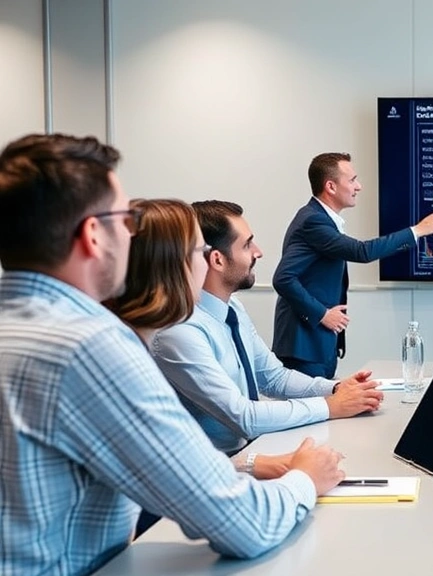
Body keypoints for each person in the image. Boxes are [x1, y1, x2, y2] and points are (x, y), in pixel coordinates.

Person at [0, 133, 344, 575]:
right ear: (93, 236)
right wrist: (305, 479)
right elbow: (242, 524)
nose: (134, 237)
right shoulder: (89, 347)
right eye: (124, 221)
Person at [152, 200, 384, 455]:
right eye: (247, 244)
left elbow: (274, 378)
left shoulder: (233, 309)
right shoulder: (180, 331)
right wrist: (331, 406)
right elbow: (244, 416)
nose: (258, 252)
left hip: (251, 452)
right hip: (221, 468)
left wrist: (336, 389)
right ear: (217, 260)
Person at [105, 198, 295, 479]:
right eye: (199, 251)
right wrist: (298, 481)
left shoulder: (128, 338)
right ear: (174, 263)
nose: (207, 263)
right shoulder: (156, 341)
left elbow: (174, 456)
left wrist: (248, 463)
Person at [272, 152, 433, 378]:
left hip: (319, 344)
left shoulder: (320, 218)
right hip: (305, 346)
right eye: (352, 180)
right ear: (331, 186)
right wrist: (418, 230)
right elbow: (283, 278)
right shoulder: (312, 221)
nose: (359, 186)